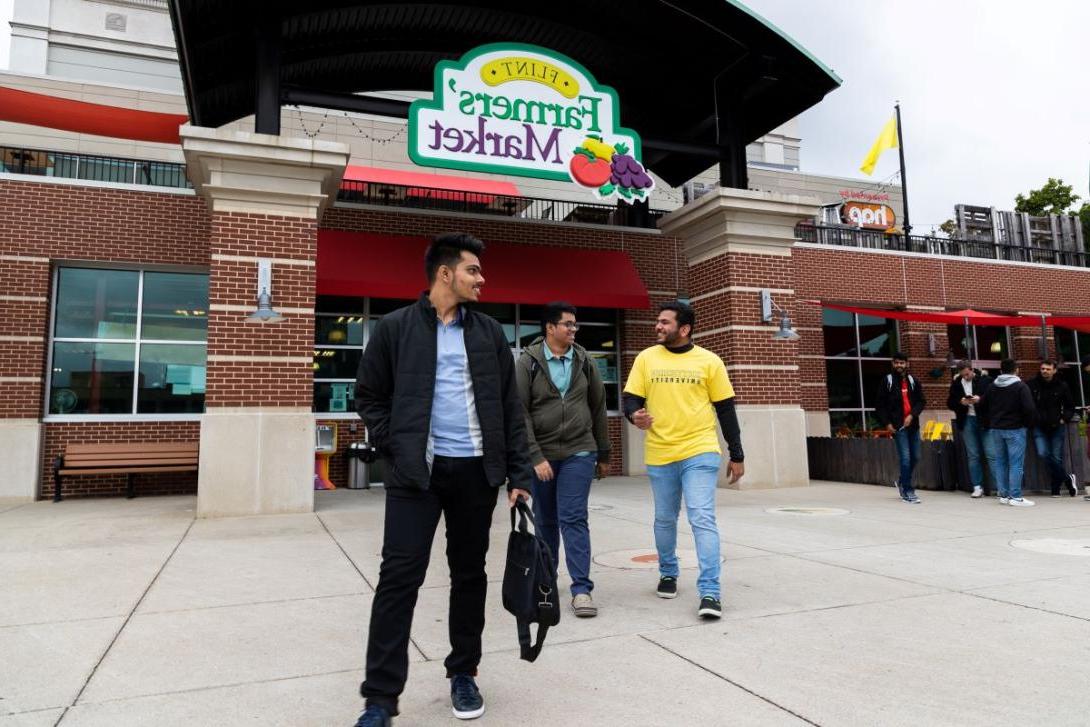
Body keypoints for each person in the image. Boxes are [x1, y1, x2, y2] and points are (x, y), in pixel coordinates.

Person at [352, 233, 534, 726]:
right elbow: (367, 396)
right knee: (397, 579)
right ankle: (381, 699)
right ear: (445, 273)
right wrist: (397, 443)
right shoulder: (395, 329)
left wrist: (519, 472)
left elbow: (508, 408)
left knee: (469, 576)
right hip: (417, 475)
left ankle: (463, 672)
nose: (482, 279)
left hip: (476, 472)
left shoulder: (490, 332)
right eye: (474, 270)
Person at [622, 300, 744, 620]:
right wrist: (634, 414)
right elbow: (631, 397)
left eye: (665, 322)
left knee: (702, 517)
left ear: (684, 329)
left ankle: (710, 591)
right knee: (664, 518)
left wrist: (737, 453)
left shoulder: (710, 361)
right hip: (661, 452)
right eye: (658, 322)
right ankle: (668, 572)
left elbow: (726, 409)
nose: (658, 326)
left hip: (700, 449)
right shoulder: (646, 358)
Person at [516, 301, 611, 618]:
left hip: (578, 451)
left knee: (573, 518)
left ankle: (582, 589)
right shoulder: (528, 363)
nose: (573, 329)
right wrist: (535, 455)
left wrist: (604, 451)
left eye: (574, 325)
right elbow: (520, 412)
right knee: (545, 520)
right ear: (550, 327)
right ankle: (545, 582)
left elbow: (598, 408)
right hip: (541, 455)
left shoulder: (585, 362)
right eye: (567, 324)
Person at [978, 358, 1037, 507]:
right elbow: (1029, 409)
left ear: (1001, 370)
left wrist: (991, 420)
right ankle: (1015, 496)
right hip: (1015, 429)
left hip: (996, 429)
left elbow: (982, 405)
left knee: (1001, 462)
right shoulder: (1020, 386)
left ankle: (1004, 495)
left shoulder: (992, 387)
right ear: (1016, 369)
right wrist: (1027, 424)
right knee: (1016, 464)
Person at [873, 352, 926, 503]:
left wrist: (912, 415)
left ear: (907, 364)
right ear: (893, 364)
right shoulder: (887, 381)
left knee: (916, 457)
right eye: (896, 363)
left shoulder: (913, 381)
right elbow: (879, 405)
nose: (899, 365)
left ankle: (903, 480)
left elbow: (921, 401)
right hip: (898, 427)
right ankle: (907, 490)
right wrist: (887, 423)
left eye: (902, 363)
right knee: (905, 458)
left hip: (913, 426)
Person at [1027, 359, 1077, 497]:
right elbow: (1026, 404)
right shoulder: (1031, 384)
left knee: (1056, 457)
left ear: (1054, 370)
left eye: (1048, 369)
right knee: (1043, 453)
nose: (1045, 371)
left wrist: (1063, 419)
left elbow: (1070, 406)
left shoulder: (1062, 386)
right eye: (1043, 368)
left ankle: (1055, 489)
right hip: (1038, 426)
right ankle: (1068, 478)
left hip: (1057, 426)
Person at [946, 361, 992, 498]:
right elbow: (950, 402)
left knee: (991, 454)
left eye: (967, 374)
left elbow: (993, 397)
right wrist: (961, 402)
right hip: (966, 420)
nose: (965, 377)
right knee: (973, 455)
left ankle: (1000, 486)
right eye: (962, 375)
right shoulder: (956, 383)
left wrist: (980, 399)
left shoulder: (985, 380)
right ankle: (977, 486)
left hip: (983, 420)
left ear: (972, 370)